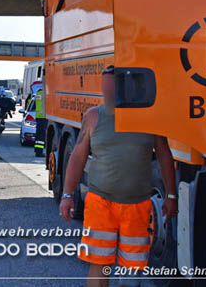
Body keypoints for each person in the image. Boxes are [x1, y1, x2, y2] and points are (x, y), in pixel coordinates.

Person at [59, 66, 177, 287]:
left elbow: (164, 155)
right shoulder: (93, 117)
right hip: (100, 203)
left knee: (131, 271)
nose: (108, 92)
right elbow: (77, 158)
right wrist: (67, 194)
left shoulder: (148, 117)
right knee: (99, 265)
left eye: (112, 86)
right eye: (105, 87)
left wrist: (171, 195)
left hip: (137, 206)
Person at [33, 84, 46, 157]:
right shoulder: (45, 94)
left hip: (38, 116)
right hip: (43, 117)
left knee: (38, 135)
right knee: (41, 137)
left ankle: (37, 150)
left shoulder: (38, 93)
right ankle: (39, 152)